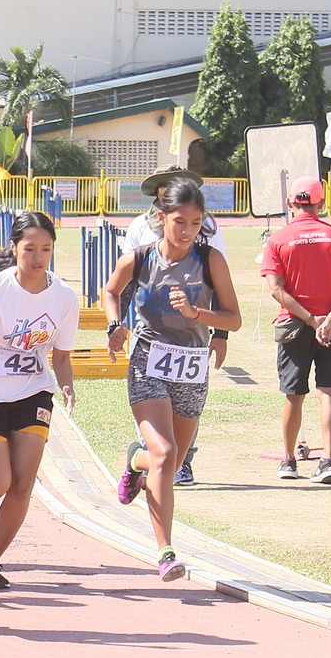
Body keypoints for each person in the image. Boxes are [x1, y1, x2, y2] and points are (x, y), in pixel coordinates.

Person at [103, 177, 244, 581]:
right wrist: (116, 325)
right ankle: (166, 551)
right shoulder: (141, 257)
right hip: (148, 360)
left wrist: (201, 317)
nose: (186, 232)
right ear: (161, 218)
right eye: (179, 221)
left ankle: (135, 460)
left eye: (196, 223)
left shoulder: (209, 259)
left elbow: (233, 317)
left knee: (170, 461)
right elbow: (111, 291)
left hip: (192, 366)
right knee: (165, 454)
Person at [0, 211, 77, 589]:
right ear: (14, 248)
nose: (38, 258)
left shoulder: (64, 297)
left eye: (46, 249)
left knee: (23, 483)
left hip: (33, 392)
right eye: (29, 249)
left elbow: (61, 355)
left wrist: (67, 384)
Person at [121, 164, 230, 486]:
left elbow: (218, 286)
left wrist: (219, 333)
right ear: (159, 196)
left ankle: (181, 461)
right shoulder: (139, 228)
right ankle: (150, 456)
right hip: (152, 340)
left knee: (185, 408)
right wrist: (118, 325)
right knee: (156, 417)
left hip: (192, 341)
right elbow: (124, 284)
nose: (187, 228)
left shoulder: (207, 229)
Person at [258, 176, 331, 484]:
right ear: (321, 202)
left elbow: (276, 290)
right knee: (327, 393)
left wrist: (310, 320)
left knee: (293, 395)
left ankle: (288, 461)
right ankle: (327, 462)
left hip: (293, 327)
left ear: (291, 203)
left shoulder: (278, 240)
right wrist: (328, 319)